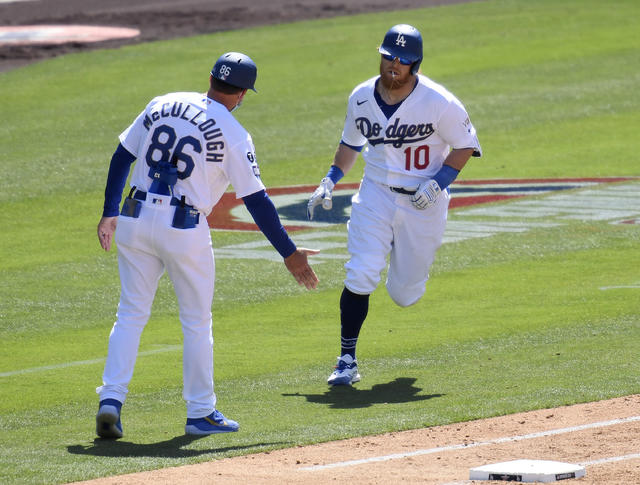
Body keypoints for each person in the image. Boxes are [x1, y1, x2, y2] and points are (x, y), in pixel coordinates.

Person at [95, 51, 319, 438]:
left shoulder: (162, 102)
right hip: (184, 229)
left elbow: (122, 156)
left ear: (212, 78)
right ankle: (200, 412)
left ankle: (110, 400)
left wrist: (108, 211)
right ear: (243, 94)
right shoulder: (234, 134)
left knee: (130, 314)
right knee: (196, 322)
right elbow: (257, 201)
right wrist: (289, 253)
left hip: (133, 217)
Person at [307, 24, 481, 386]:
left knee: (404, 294)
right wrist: (330, 179)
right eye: (388, 56)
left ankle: (406, 278)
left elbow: (465, 145)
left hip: (423, 203)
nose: (393, 65)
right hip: (375, 195)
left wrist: (438, 185)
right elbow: (350, 144)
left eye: (402, 60)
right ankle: (346, 359)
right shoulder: (360, 96)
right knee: (361, 272)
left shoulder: (439, 102)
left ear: (415, 64)